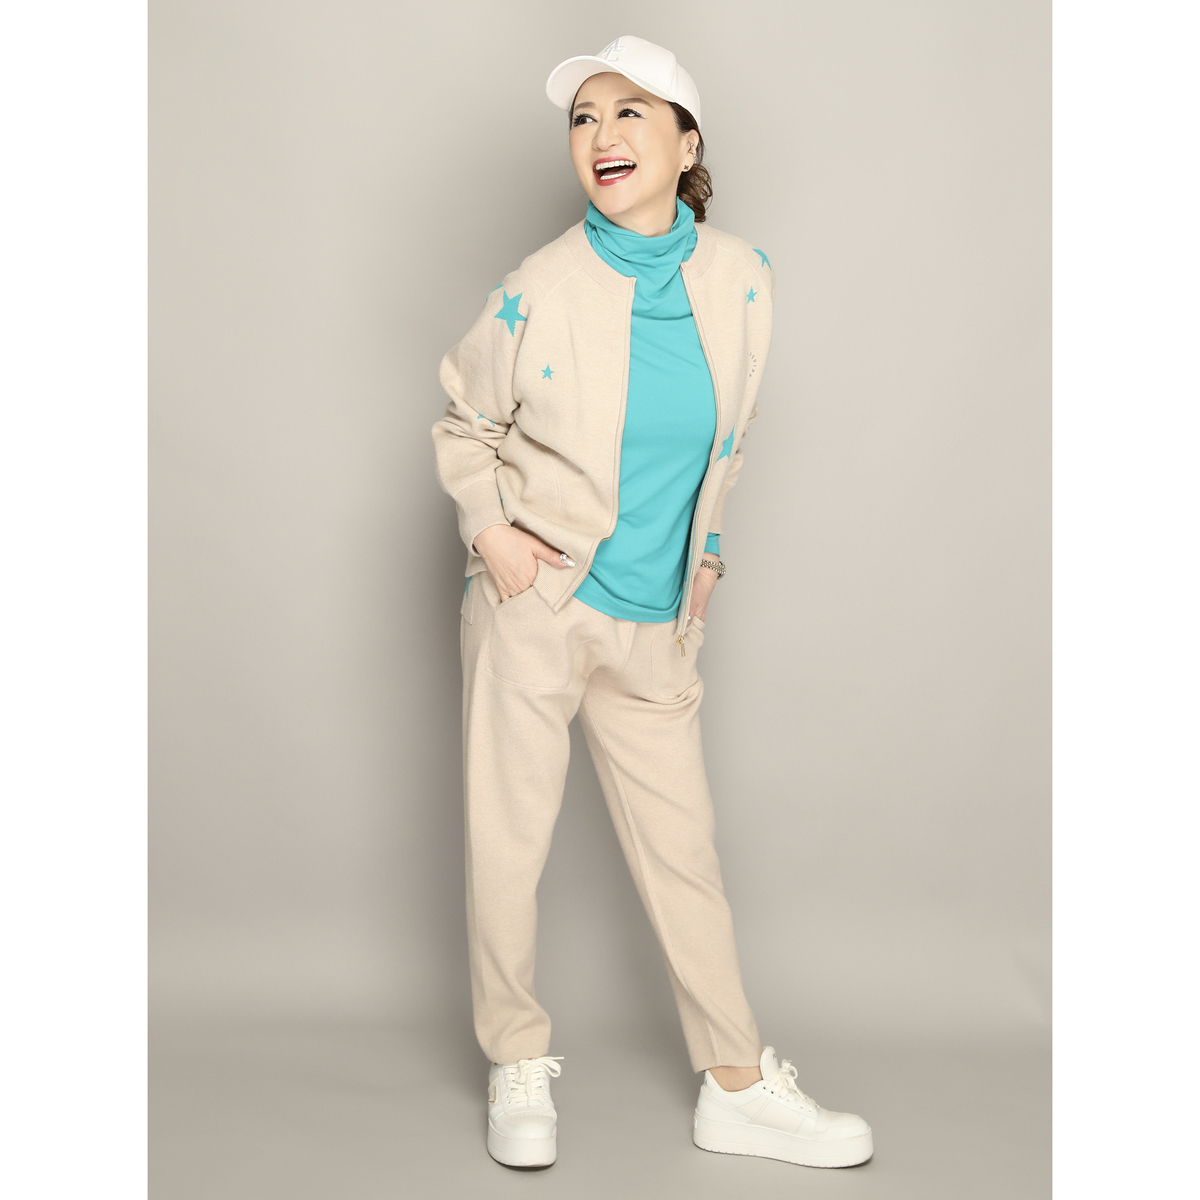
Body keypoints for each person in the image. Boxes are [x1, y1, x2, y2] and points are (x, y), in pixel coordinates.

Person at [431, 35, 872, 1172]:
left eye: (630, 111)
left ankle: (737, 1087)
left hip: (656, 622)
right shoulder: (537, 287)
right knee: (508, 844)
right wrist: (492, 535)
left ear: (687, 142)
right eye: (583, 118)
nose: (602, 135)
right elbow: (464, 426)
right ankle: (516, 1057)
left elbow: (729, 438)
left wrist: (707, 553)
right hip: (538, 604)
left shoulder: (744, 278)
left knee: (686, 857)